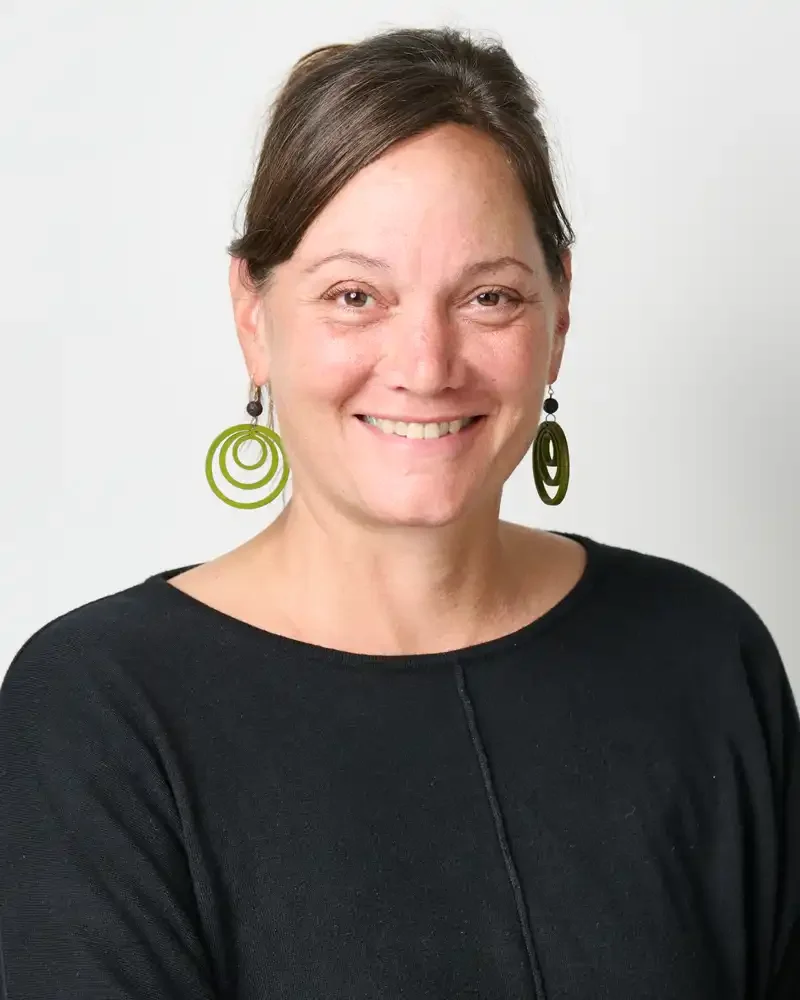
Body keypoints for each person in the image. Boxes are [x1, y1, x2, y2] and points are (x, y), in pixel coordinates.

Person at [0, 24, 797, 1000]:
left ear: (559, 315)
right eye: (353, 294)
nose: (425, 365)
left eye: (488, 297)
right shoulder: (100, 713)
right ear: (252, 317)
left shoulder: (705, 656)